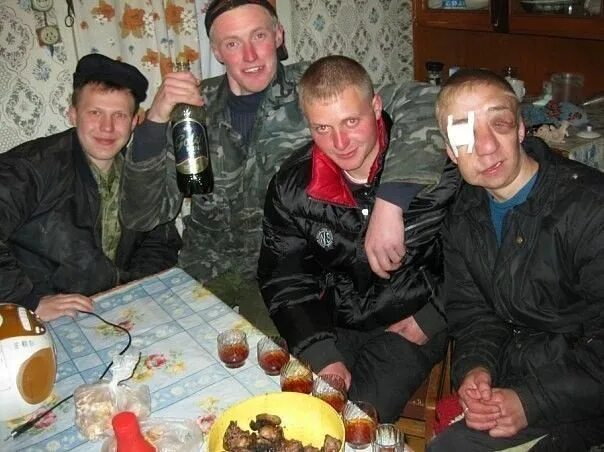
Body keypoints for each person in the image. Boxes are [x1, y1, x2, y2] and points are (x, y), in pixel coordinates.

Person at [119, 0, 446, 333]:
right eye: (232, 43)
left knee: (269, 360)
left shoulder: (315, 92)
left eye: (258, 36)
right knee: (154, 342)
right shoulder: (193, 108)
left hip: (283, 276)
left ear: (278, 35)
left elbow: (426, 102)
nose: (250, 55)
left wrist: (391, 204)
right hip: (203, 268)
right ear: (217, 52)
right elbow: (142, 216)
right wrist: (155, 120)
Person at [257, 55, 458, 422]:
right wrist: (321, 353)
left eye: (351, 121)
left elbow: (476, 254)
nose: (340, 142)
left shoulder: (438, 166)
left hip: (412, 322)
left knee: (357, 422)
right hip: (333, 324)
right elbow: (285, 279)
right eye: (322, 128)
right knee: (299, 416)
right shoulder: (292, 187)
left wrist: (432, 318)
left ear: (376, 107)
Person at [427, 69, 604, 451]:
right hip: (520, 379)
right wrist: (476, 367)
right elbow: (473, 313)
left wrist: (532, 401)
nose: (486, 146)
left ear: (521, 129)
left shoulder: (591, 210)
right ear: (450, 151)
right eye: (464, 133)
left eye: (500, 123)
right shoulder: (463, 215)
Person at [0, 53, 181, 322]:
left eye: (119, 115)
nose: (107, 127)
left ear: (134, 121)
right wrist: (29, 301)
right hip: (33, 317)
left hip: (110, 311)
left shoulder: (140, 173)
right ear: (73, 114)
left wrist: (134, 287)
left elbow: (160, 242)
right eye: (95, 113)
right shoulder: (31, 167)